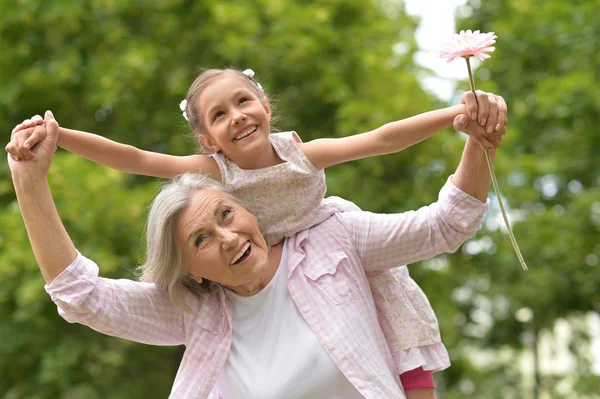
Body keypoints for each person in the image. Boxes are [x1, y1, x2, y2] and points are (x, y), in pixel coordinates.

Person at [7, 68, 507, 396]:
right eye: (199, 240)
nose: (225, 237)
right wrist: (54, 145)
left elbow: (429, 201)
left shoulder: (331, 230)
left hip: (327, 240)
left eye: (226, 216)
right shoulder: (198, 303)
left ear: (265, 104)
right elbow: (84, 288)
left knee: (405, 339)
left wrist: (465, 126)